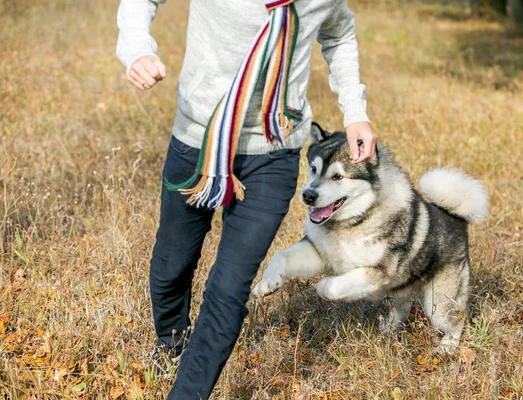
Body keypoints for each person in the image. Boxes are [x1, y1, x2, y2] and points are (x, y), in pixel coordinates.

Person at [116, 0, 376, 398]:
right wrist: (137, 47)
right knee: (170, 267)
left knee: (228, 289)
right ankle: (170, 343)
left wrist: (355, 111)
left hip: (273, 151)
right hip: (197, 137)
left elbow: (338, 32)